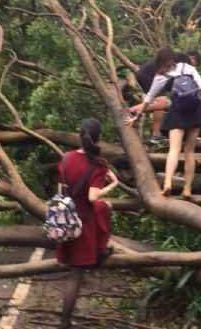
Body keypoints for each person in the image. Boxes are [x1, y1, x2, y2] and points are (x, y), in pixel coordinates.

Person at [124, 45, 201, 197]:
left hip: (179, 111)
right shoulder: (186, 67)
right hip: (196, 111)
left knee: (174, 150)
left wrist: (136, 117)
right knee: (189, 151)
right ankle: (187, 189)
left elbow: (149, 99)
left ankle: (168, 183)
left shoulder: (161, 75)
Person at [56, 118, 119, 329]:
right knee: (76, 274)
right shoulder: (98, 164)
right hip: (83, 223)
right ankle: (64, 323)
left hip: (67, 220)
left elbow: (60, 192)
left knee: (75, 271)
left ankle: (65, 322)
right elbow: (93, 198)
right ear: (98, 138)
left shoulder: (65, 159)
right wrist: (113, 185)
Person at [130, 49, 201, 144]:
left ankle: (156, 135)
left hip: (147, 74)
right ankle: (131, 110)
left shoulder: (175, 59)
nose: (193, 67)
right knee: (162, 102)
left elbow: (173, 84)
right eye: (194, 65)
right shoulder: (185, 59)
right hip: (149, 75)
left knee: (160, 102)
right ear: (192, 58)